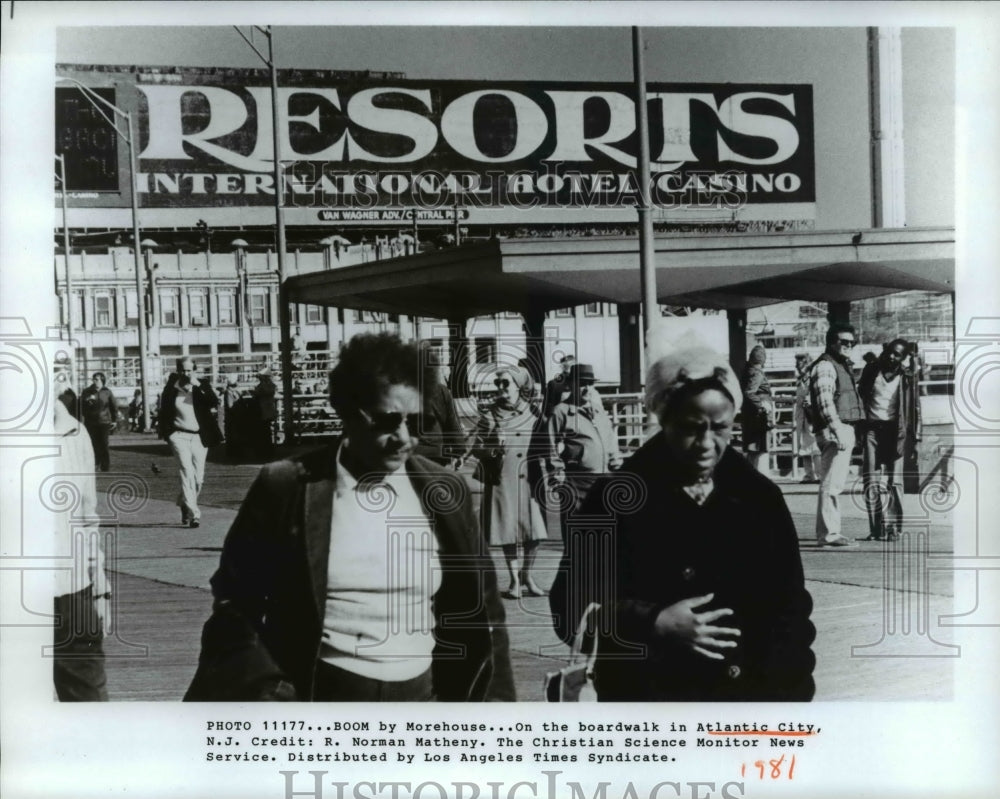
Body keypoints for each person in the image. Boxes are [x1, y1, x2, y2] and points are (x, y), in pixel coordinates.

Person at [184, 332, 514, 702]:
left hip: (423, 703)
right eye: (387, 421)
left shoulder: (444, 492)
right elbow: (235, 600)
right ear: (347, 412)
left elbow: (486, 613)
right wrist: (267, 692)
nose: (403, 438)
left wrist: (494, 708)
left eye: (416, 422)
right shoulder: (288, 486)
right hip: (319, 700)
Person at [549, 346, 816, 701]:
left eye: (720, 428)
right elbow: (569, 607)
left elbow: (791, 614)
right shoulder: (613, 499)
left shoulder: (760, 499)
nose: (707, 443)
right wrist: (652, 621)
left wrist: (791, 702)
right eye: (692, 428)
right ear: (663, 419)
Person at [52, 382, 111, 700]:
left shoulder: (73, 432)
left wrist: (99, 588)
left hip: (71, 592)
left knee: (90, 707)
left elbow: (87, 518)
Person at [472, 364, 548, 599]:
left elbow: (548, 440)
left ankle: (528, 575)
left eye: (505, 383)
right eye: (498, 383)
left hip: (529, 477)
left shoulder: (534, 412)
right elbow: (476, 448)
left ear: (517, 386)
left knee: (535, 532)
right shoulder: (489, 414)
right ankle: (515, 581)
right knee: (507, 532)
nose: (500, 388)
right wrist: (494, 448)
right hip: (503, 478)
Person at [545, 363, 622, 541]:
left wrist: (616, 462)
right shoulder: (561, 412)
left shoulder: (598, 411)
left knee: (605, 533)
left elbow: (610, 439)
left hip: (603, 480)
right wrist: (557, 474)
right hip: (575, 481)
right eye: (581, 383)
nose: (586, 388)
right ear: (571, 384)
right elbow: (550, 444)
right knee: (576, 533)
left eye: (589, 384)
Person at [857, 339, 922, 541]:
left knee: (895, 482)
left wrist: (916, 438)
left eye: (898, 355)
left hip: (896, 432)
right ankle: (876, 528)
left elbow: (915, 408)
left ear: (903, 358)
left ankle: (894, 528)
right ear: (884, 352)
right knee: (871, 480)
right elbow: (860, 397)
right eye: (890, 353)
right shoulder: (871, 371)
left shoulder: (907, 377)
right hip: (872, 431)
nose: (892, 357)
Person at [808, 323, 864, 548]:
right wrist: (837, 429)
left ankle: (830, 532)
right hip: (836, 429)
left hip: (839, 428)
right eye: (844, 342)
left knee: (834, 483)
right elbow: (824, 402)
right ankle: (829, 535)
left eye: (852, 342)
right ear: (832, 342)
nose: (849, 346)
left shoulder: (836, 364)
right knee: (831, 484)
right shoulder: (826, 366)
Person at [156, 358, 222, 528]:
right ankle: (195, 514)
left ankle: (185, 503)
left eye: (189, 370)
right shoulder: (171, 389)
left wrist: (198, 386)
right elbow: (164, 412)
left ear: (194, 370)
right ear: (178, 371)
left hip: (199, 436)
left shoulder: (201, 385)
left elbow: (214, 402)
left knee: (198, 478)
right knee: (186, 470)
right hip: (179, 435)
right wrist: (167, 433)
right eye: (183, 371)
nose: (186, 374)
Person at [416, 362, 466, 467]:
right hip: (437, 452)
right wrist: (459, 452)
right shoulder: (442, 390)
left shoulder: (406, 390)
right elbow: (453, 423)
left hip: (415, 451)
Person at [739, 344, 773, 473]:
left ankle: (751, 477)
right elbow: (749, 393)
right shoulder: (757, 373)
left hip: (750, 415)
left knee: (752, 450)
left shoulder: (747, 372)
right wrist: (762, 404)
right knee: (762, 449)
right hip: (759, 417)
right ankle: (762, 477)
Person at [80, 372, 117, 471]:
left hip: (104, 421)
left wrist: (114, 420)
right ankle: (96, 463)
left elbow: (113, 407)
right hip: (91, 422)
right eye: (94, 379)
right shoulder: (87, 391)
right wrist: (87, 402)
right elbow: (81, 407)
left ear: (102, 381)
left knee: (104, 443)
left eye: (97, 379)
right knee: (93, 444)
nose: (95, 381)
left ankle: (105, 465)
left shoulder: (107, 392)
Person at [793, 353, 821, 483]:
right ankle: (809, 474)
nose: (798, 366)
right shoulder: (800, 380)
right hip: (802, 416)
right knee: (803, 445)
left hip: (811, 415)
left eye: (800, 363)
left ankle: (820, 474)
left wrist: (810, 402)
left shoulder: (812, 378)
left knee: (815, 446)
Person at [252, 367, 278, 458]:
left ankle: (266, 450)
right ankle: (266, 449)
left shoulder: (268, 386)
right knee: (265, 430)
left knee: (265, 430)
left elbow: (264, 393)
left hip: (264, 410)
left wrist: (255, 393)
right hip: (264, 409)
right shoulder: (269, 385)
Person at [541, 354, 575, 419]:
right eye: (569, 367)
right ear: (562, 367)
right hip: (561, 419)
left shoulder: (581, 383)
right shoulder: (554, 384)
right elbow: (548, 408)